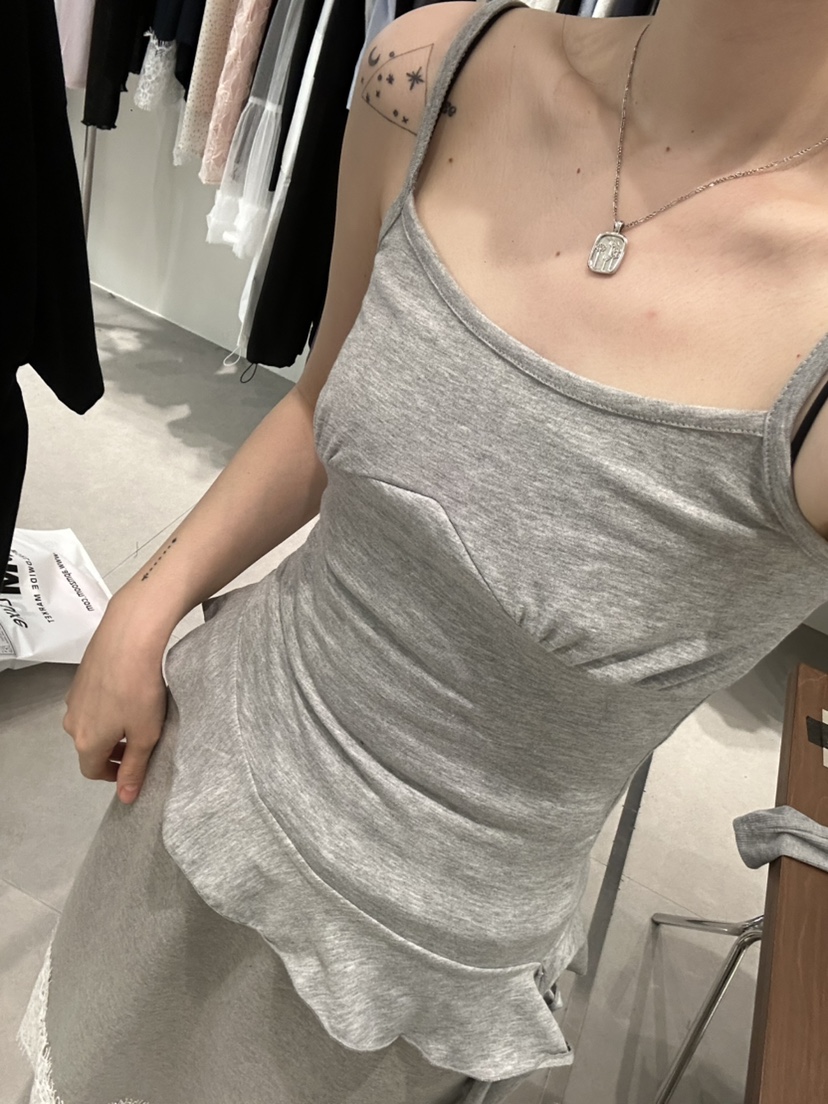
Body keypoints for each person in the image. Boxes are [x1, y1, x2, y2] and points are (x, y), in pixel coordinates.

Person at [18, 1, 828, 1102]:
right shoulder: (435, 68)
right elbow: (321, 401)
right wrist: (146, 603)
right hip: (195, 789)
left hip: (410, 987)